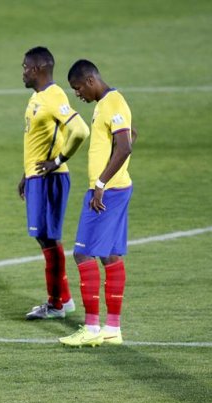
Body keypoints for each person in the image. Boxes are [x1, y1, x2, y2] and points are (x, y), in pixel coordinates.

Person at [56, 59, 136, 347]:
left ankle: (90, 328)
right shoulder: (109, 102)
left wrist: (101, 184)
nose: (78, 94)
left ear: (90, 81)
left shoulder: (112, 102)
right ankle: (112, 328)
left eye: (78, 89)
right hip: (116, 188)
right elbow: (131, 135)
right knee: (111, 256)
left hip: (106, 192)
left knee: (82, 254)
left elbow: (125, 144)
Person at [18, 46, 90, 320]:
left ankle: (57, 303)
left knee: (48, 237)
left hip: (50, 178)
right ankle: (64, 300)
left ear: (37, 69)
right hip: (38, 177)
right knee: (44, 237)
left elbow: (80, 130)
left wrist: (58, 161)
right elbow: (39, 140)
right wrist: (26, 173)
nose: (23, 72)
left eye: (25, 67)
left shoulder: (53, 95)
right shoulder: (38, 97)